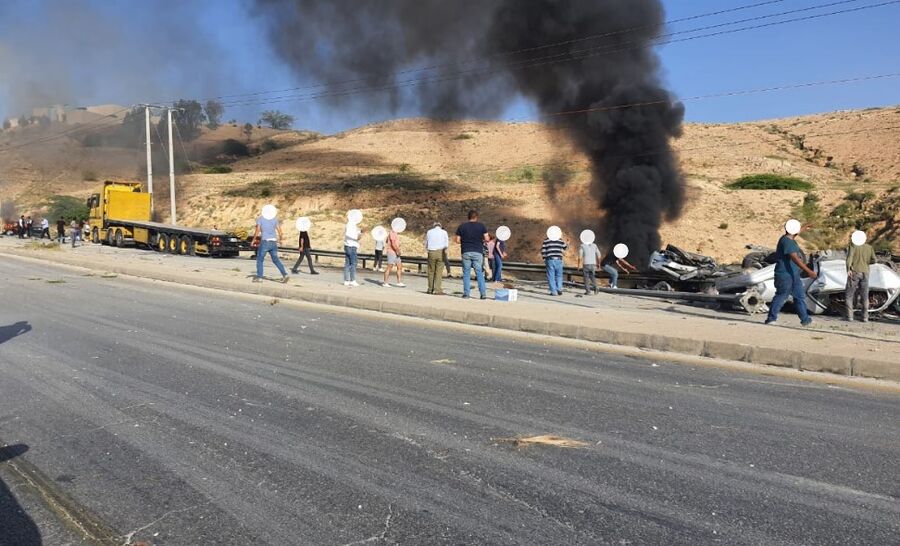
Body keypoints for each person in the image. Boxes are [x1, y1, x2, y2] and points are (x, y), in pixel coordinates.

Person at [765, 219, 817, 326]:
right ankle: (771, 319)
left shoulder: (787, 239)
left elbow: (793, 233)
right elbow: (795, 258)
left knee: (799, 297)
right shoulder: (787, 242)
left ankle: (805, 320)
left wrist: (804, 228)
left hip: (793, 274)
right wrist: (809, 271)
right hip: (785, 275)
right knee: (781, 296)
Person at [455, 210, 489, 299]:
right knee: (479, 273)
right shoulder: (481, 226)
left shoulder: (462, 227)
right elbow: (487, 238)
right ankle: (483, 294)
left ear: (468, 217)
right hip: (478, 252)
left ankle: (466, 294)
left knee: (466, 273)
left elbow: (457, 240)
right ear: (476, 217)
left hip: (466, 251)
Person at [845, 230, 876, 322]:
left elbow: (849, 258)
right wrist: (866, 263)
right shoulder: (869, 247)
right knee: (865, 295)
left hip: (855, 272)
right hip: (865, 272)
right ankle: (865, 317)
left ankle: (850, 316)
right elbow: (874, 260)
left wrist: (848, 269)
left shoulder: (853, 246)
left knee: (849, 295)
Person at [252, 210, 289, 283]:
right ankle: (285, 275)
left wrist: (253, 240)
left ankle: (260, 278)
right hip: (273, 242)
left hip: (265, 242)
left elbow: (257, 230)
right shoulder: (275, 219)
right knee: (276, 260)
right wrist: (280, 240)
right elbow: (280, 232)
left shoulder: (261, 219)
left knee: (260, 260)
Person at [424, 221, 449, 295]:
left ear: (434, 226)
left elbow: (426, 243)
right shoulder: (444, 232)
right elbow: (446, 244)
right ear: (440, 226)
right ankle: (437, 289)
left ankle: (430, 289)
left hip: (431, 252)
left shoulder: (429, 232)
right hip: (440, 252)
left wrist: (427, 249)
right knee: (439, 271)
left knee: (431, 271)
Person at [343, 219, 362, 287]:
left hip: (347, 245)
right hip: (352, 246)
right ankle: (352, 280)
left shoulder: (347, 225)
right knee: (354, 263)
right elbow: (357, 238)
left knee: (347, 263)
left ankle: (346, 280)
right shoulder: (354, 227)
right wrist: (360, 232)